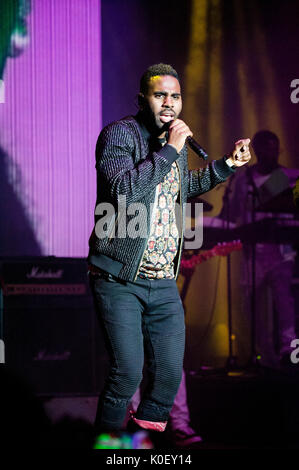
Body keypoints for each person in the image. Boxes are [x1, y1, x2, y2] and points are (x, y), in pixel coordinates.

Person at [87, 63, 251, 435]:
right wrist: (172, 150)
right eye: (160, 95)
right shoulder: (119, 135)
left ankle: (140, 437)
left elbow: (179, 190)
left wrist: (227, 164)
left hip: (162, 281)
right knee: (127, 372)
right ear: (142, 99)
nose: (169, 104)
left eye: (175, 96)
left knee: (167, 376)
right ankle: (110, 447)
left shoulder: (171, 148)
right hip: (119, 277)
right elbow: (124, 190)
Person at [219, 130, 297, 368]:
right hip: (253, 251)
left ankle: (289, 349)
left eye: (276, 149)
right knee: (250, 303)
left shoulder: (289, 177)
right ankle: (262, 353)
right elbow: (233, 213)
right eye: (266, 149)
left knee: (284, 301)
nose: (272, 153)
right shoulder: (243, 178)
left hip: (281, 252)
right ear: (258, 151)